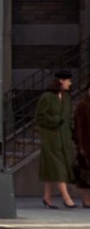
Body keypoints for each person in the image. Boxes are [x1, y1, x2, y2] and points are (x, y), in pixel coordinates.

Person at [37, 69, 77, 209]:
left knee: (52, 168)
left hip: (63, 137)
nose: (70, 83)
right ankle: (67, 198)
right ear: (61, 81)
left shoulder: (66, 98)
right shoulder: (47, 97)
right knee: (59, 168)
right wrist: (55, 120)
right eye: (68, 81)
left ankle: (47, 197)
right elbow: (40, 116)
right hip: (51, 138)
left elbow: (67, 118)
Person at [73, 86, 90, 207]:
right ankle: (86, 199)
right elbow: (78, 127)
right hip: (86, 143)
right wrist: (80, 146)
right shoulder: (82, 105)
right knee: (84, 174)